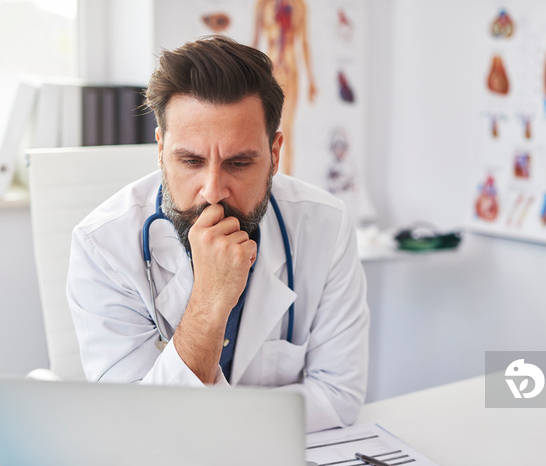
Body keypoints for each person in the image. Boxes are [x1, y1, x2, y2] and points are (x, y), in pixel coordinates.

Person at [66, 35, 369, 433]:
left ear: (275, 153)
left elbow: (338, 397)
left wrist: (208, 418)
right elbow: (136, 426)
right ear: (160, 149)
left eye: (239, 163)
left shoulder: (326, 225)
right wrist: (210, 299)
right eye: (190, 160)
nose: (212, 190)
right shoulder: (103, 245)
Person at [253, 0, 317, 176]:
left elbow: (304, 43)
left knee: (287, 130)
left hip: (290, 72)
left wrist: (311, 79)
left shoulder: (300, 6)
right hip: (270, 72)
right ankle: (264, 181)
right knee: (264, 130)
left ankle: (288, 181)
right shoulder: (262, 4)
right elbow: (255, 43)